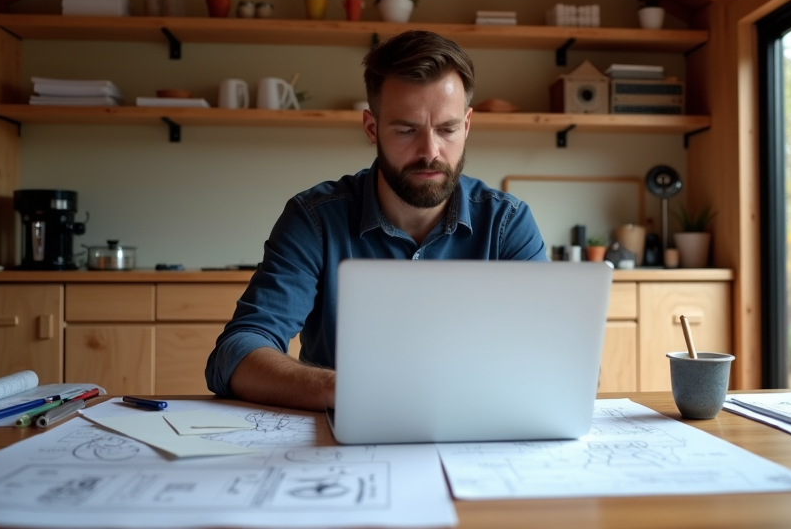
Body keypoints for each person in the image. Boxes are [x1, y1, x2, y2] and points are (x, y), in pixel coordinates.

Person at [205, 30, 547, 411]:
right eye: (406, 130)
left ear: (466, 126)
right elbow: (237, 352)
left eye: (447, 130)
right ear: (372, 128)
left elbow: (556, 357)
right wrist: (339, 389)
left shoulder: (507, 224)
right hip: (345, 438)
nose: (430, 152)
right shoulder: (315, 220)